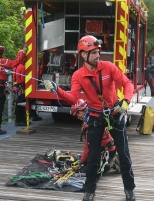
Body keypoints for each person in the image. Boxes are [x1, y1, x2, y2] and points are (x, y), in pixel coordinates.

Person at [44, 35, 136, 201]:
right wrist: (56, 90)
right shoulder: (78, 76)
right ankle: (89, 192)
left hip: (115, 114)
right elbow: (73, 98)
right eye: (93, 52)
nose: (97, 55)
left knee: (124, 155)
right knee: (93, 158)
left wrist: (126, 101)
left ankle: (129, 190)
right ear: (83, 55)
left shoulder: (108, 67)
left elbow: (127, 83)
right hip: (94, 116)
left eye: (97, 52)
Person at [70, 99, 120, 174]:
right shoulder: (94, 118)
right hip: (107, 148)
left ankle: (110, 163)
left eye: (77, 115)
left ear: (80, 112)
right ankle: (110, 159)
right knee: (88, 162)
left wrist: (82, 161)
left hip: (107, 151)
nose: (77, 117)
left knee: (85, 171)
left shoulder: (90, 125)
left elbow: (87, 147)